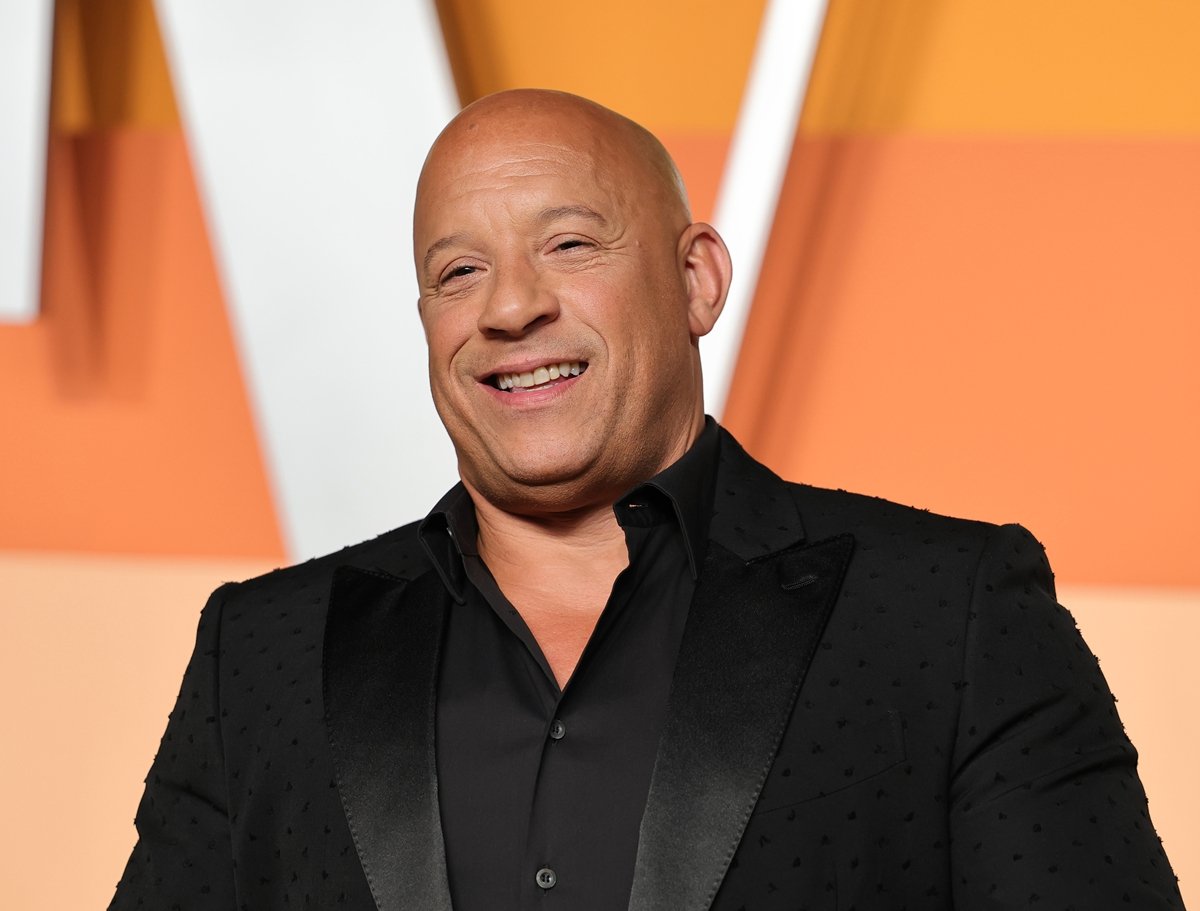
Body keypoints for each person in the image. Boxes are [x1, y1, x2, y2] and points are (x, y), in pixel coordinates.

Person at [110, 89, 1184, 910]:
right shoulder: (262, 653)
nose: (511, 307)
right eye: (459, 271)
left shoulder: (948, 617)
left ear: (697, 280)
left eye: (569, 245)